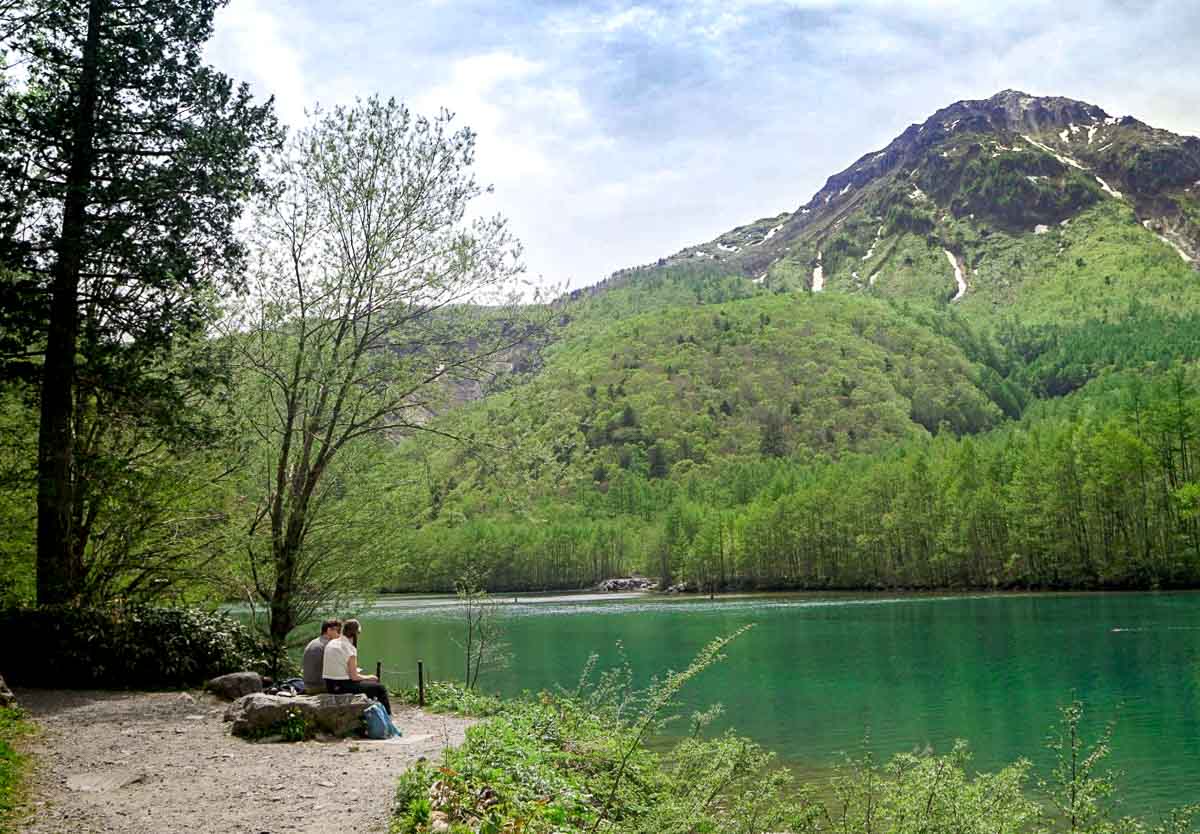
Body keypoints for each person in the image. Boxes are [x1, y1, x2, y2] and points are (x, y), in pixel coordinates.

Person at [322, 618, 393, 714]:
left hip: (330, 685)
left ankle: (373, 713)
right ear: (356, 634)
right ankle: (388, 717)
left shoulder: (331, 643)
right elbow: (354, 677)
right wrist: (370, 677)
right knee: (380, 688)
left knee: (368, 685)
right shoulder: (349, 648)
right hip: (342, 687)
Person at [301, 618, 341, 694]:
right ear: (329, 630)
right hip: (320, 688)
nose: (339, 635)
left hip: (308, 686)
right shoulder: (329, 645)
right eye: (338, 631)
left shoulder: (314, 642)